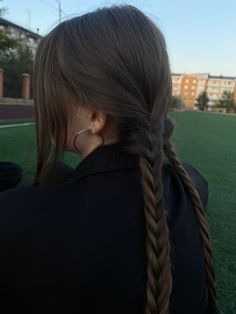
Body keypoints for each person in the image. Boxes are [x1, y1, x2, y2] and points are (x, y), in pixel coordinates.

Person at [0, 5, 218, 314]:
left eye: (48, 89)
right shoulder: (191, 187)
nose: (42, 103)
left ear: (95, 115)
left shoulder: (14, 220)